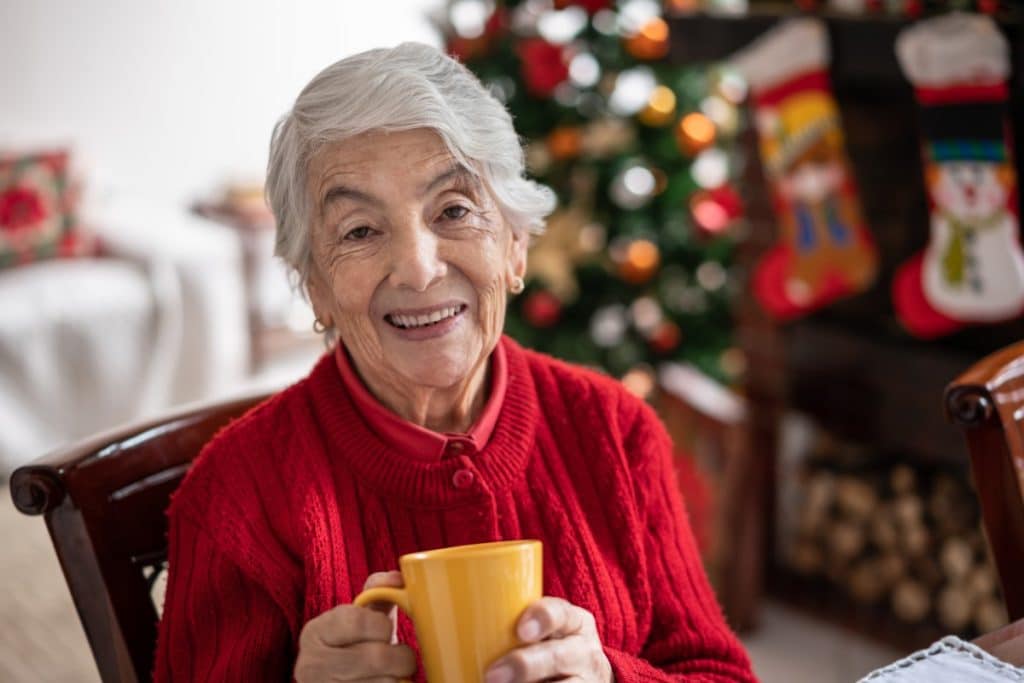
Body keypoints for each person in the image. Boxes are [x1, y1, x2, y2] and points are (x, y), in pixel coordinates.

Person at [153, 42, 757, 682]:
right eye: (360, 230)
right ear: (317, 288)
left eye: (454, 210)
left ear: (516, 248)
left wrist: (611, 677)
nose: (419, 268)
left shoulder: (615, 431)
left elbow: (719, 674)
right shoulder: (237, 495)